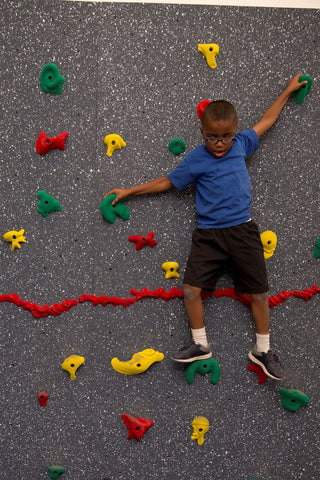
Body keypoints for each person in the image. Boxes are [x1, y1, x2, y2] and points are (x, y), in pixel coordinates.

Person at [104, 73, 307, 381]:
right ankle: (200, 344)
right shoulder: (197, 158)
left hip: (242, 230)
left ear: (234, 131)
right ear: (202, 132)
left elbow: (266, 121)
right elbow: (167, 182)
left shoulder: (241, 144)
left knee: (260, 293)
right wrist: (129, 192)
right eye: (212, 137)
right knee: (190, 290)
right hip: (209, 234)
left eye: (225, 137)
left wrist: (287, 92)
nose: (219, 144)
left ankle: (263, 350)